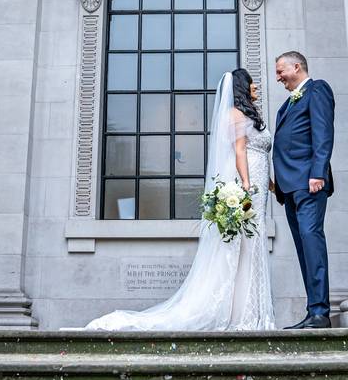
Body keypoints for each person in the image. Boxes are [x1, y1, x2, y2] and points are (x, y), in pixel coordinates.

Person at [84, 69, 275, 331]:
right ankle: (241, 315)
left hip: (261, 185)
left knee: (252, 245)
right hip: (248, 186)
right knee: (242, 247)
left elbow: (260, 151)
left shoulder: (252, 115)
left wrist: (271, 185)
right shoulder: (235, 114)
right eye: (252, 84)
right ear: (243, 87)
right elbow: (240, 150)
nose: (256, 87)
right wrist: (246, 184)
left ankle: (251, 313)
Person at [271, 51, 335, 329]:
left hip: (309, 183)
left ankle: (321, 311)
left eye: (281, 71)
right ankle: (313, 312)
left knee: (312, 240)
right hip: (289, 188)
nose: (278, 77)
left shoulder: (317, 89)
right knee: (302, 248)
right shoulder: (285, 105)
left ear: (297, 67)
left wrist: (318, 172)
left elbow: (323, 133)